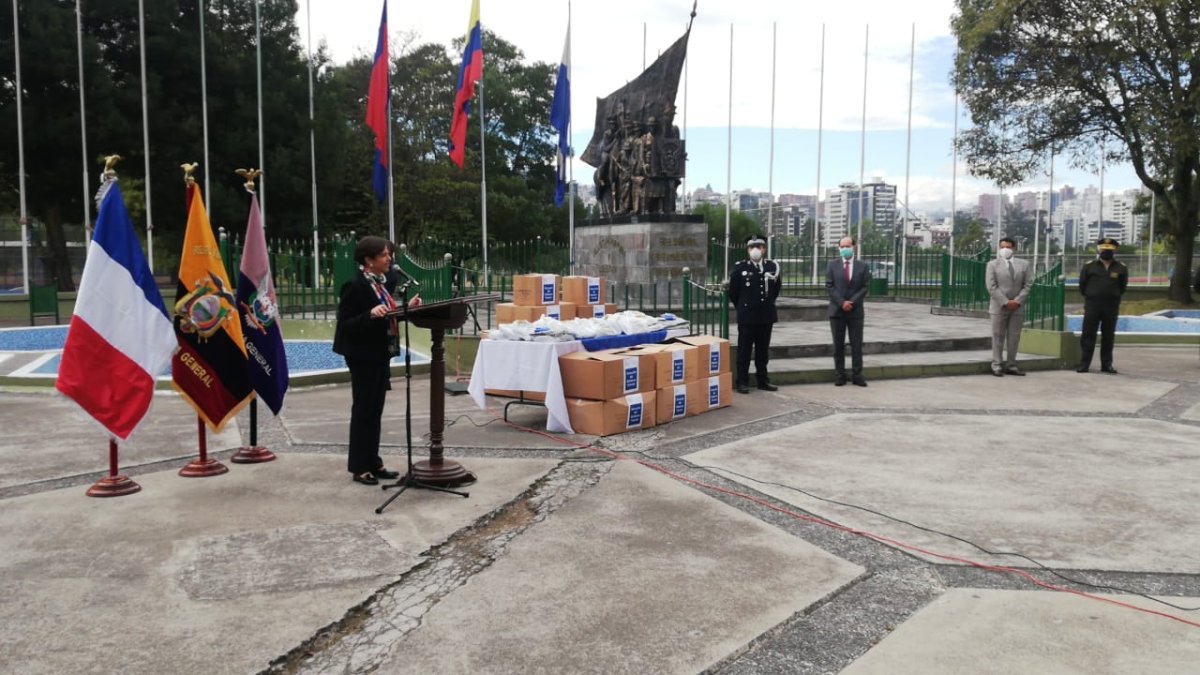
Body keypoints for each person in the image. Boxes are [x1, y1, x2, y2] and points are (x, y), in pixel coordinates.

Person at [333, 235, 421, 486]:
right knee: (364, 410)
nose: (389, 258)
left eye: (389, 254)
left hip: (379, 353)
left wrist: (408, 310)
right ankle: (359, 467)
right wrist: (369, 314)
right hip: (362, 356)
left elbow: (387, 315)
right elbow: (346, 323)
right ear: (368, 260)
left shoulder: (380, 284)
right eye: (384, 255)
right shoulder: (355, 285)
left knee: (375, 409)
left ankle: (373, 461)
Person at [728, 234, 781, 394]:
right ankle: (742, 381)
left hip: (766, 315)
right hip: (747, 316)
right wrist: (744, 307)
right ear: (747, 250)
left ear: (764, 249)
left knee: (762, 351)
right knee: (744, 350)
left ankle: (762, 380)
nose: (755, 250)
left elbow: (776, 289)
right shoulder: (740, 267)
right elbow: (733, 293)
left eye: (759, 246)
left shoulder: (772, 267)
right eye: (752, 247)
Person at [1076, 237, 1128, 374]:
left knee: (1108, 336)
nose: (1106, 252)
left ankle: (1107, 365)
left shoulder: (1121, 268)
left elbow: (1123, 287)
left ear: (1114, 251)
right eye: (1103, 249)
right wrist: (1092, 295)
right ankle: (1084, 364)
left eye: (1109, 250)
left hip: (1111, 306)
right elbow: (1082, 285)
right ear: (1099, 250)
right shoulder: (1089, 266)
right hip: (1093, 305)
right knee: (1088, 335)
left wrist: (1113, 295)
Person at [826, 236, 871, 387]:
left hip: (855, 311)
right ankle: (840, 374)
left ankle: (857, 374)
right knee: (838, 345)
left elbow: (865, 287)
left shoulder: (862, 266)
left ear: (854, 247)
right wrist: (841, 302)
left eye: (848, 246)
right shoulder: (832, 265)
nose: (845, 249)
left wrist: (852, 301)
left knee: (856, 345)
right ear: (839, 248)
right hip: (837, 311)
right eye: (842, 246)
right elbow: (829, 286)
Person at [984, 237, 1033, 377]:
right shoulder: (992, 265)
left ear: (1014, 248)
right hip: (999, 306)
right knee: (998, 336)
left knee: (1014, 336)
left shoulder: (1024, 265)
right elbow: (991, 286)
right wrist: (1005, 301)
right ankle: (997, 364)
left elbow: (1028, 284)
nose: (1005, 249)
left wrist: (1017, 301)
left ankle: (1011, 364)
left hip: (1017, 306)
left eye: (1008, 246)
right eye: (1002, 246)